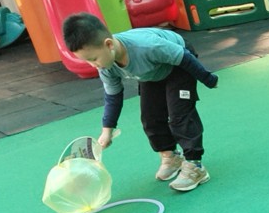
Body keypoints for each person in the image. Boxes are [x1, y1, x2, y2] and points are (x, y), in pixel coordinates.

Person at [62, 13, 219, 192]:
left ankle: (195, 165)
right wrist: (107, 130)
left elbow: (184, 57)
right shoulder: (105, 67)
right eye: (87, 61)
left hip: (179, 65)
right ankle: (171, 157)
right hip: (151, 73)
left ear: (109, 45)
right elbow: (113, 97)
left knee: (180, 116)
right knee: (150, 118)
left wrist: (208, 79)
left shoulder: (147, 46)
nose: (93, 65)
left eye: (93, 59)